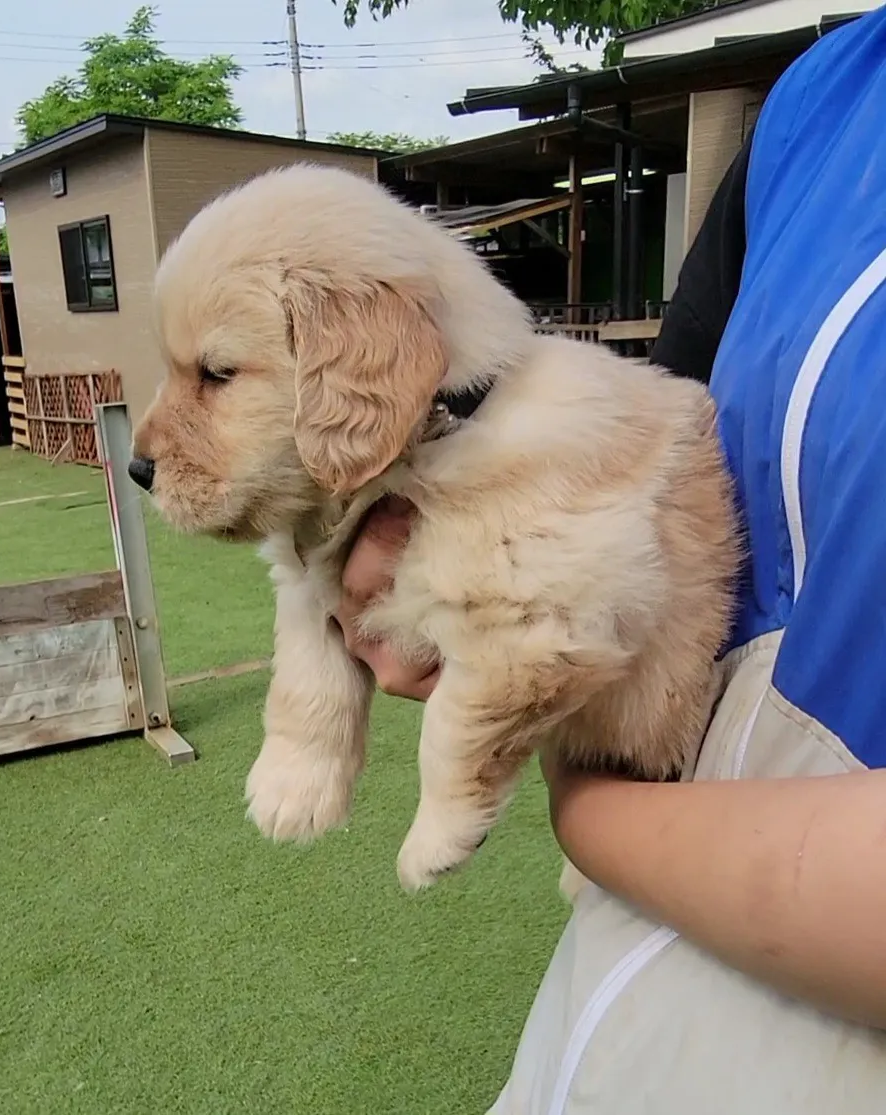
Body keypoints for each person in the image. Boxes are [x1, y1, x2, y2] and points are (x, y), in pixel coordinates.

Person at [333, 8, 886, 1113]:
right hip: (615, 1000)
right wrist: (428, 518)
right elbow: (667, 420)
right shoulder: (826, 96)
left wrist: (587, 807)